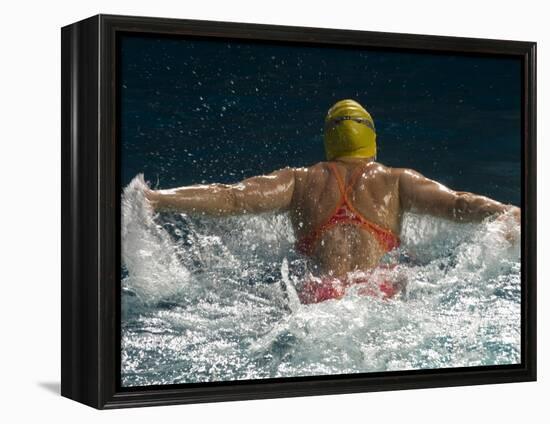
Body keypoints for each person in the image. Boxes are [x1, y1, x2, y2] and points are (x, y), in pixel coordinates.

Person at [145, 99, 520, 304]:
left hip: (315, 297)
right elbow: (458, 204)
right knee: (407, 275)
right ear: (370, 137)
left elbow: (230, 198)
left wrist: (158, 199)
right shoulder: (395, 181)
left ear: (329, 139)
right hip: (377, 295)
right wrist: (506, 211)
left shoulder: (298, 180)